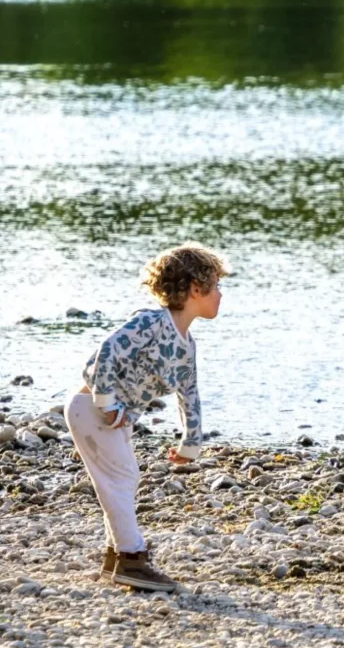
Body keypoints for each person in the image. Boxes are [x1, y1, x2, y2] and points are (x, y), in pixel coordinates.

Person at [64, 242, 228, 592]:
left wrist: (190, 444)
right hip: (90, 409)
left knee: (122, 480)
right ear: (195, 289)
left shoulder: (186, 344)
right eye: (215, 286)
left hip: (112, 419)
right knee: (120, 480)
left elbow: (190, 394)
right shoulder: (151, 322)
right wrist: (106, 401)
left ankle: (115, 557)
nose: (220, 294)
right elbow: (107, 350)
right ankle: (132, 558)